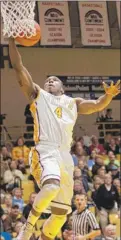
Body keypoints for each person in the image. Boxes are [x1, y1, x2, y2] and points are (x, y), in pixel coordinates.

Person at [9, 38, 120, 240]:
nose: (49, 81)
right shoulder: (38, 94)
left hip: (64, 156)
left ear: (62, 87)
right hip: (46, 149)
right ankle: (28, 227)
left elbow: (96, 104)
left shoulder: (72, 102)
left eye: (54, 79)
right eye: (47, 80)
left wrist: (108, 97)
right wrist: (11, 40)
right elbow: (18, 67)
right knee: (51, 185)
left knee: (60, 215)